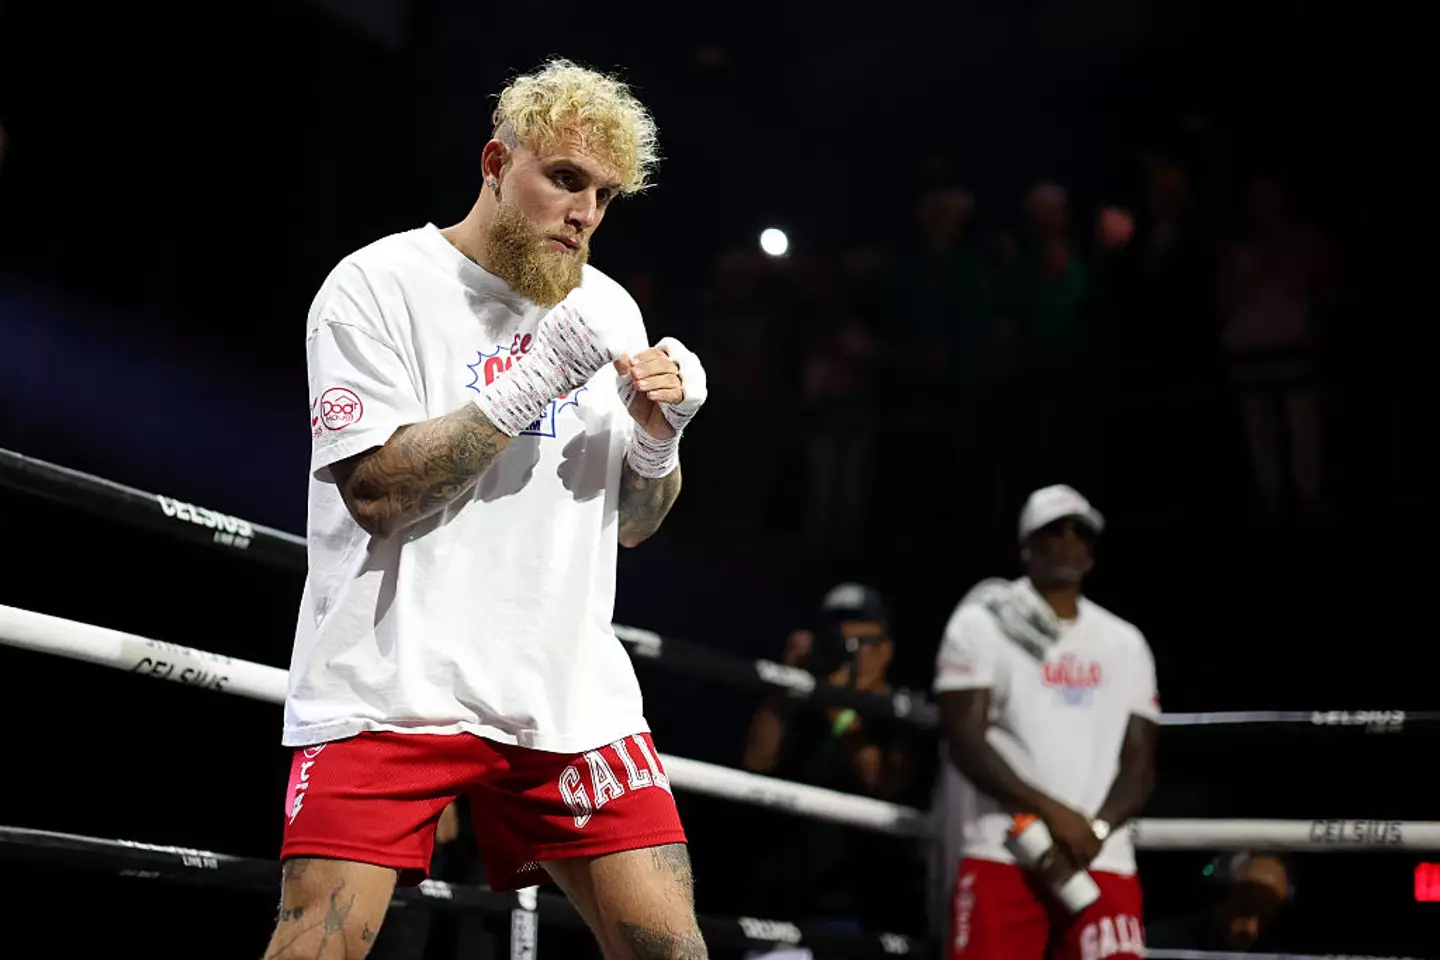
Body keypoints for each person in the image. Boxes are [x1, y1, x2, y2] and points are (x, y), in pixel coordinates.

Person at [265, 59, 711, 960]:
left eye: (605, 195)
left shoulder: (612, 307)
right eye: (565, 179)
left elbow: (633, 522)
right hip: (393, 685)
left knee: (672, 951)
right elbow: (378, 492)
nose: (584, 212)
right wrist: (534, 378)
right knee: (315, 949)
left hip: (568, 696)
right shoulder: (378, 284)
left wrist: (661, 443)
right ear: (496, 162)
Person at [931, 484, 1160, 960]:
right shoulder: (979, 625)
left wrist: (1093, 833)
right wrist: (1057, 817)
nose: (1070, 540)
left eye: (1082, 531)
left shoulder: (1125, 642)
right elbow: (964, 740)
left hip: (1103, 858)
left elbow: (1140, 760)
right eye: (1055, 530)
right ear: (1027, 545)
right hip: (1003, 850)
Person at [741, 583, 920, 938]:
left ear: (886, 650)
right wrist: (786, 681)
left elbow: (883, 784)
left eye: (860, 645)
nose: (849, 655)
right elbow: (756, 762)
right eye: (839, 644)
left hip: (864, 910)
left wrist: (838, 700)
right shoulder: (806, 701)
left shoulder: (903, 713)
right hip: (785, 906)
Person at [1146, 852, 1293, 952]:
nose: (1251, 930)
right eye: (1244, 911)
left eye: (1265, 919)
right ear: (1218, 896)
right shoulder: (1160, 945)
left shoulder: (1272, 952)